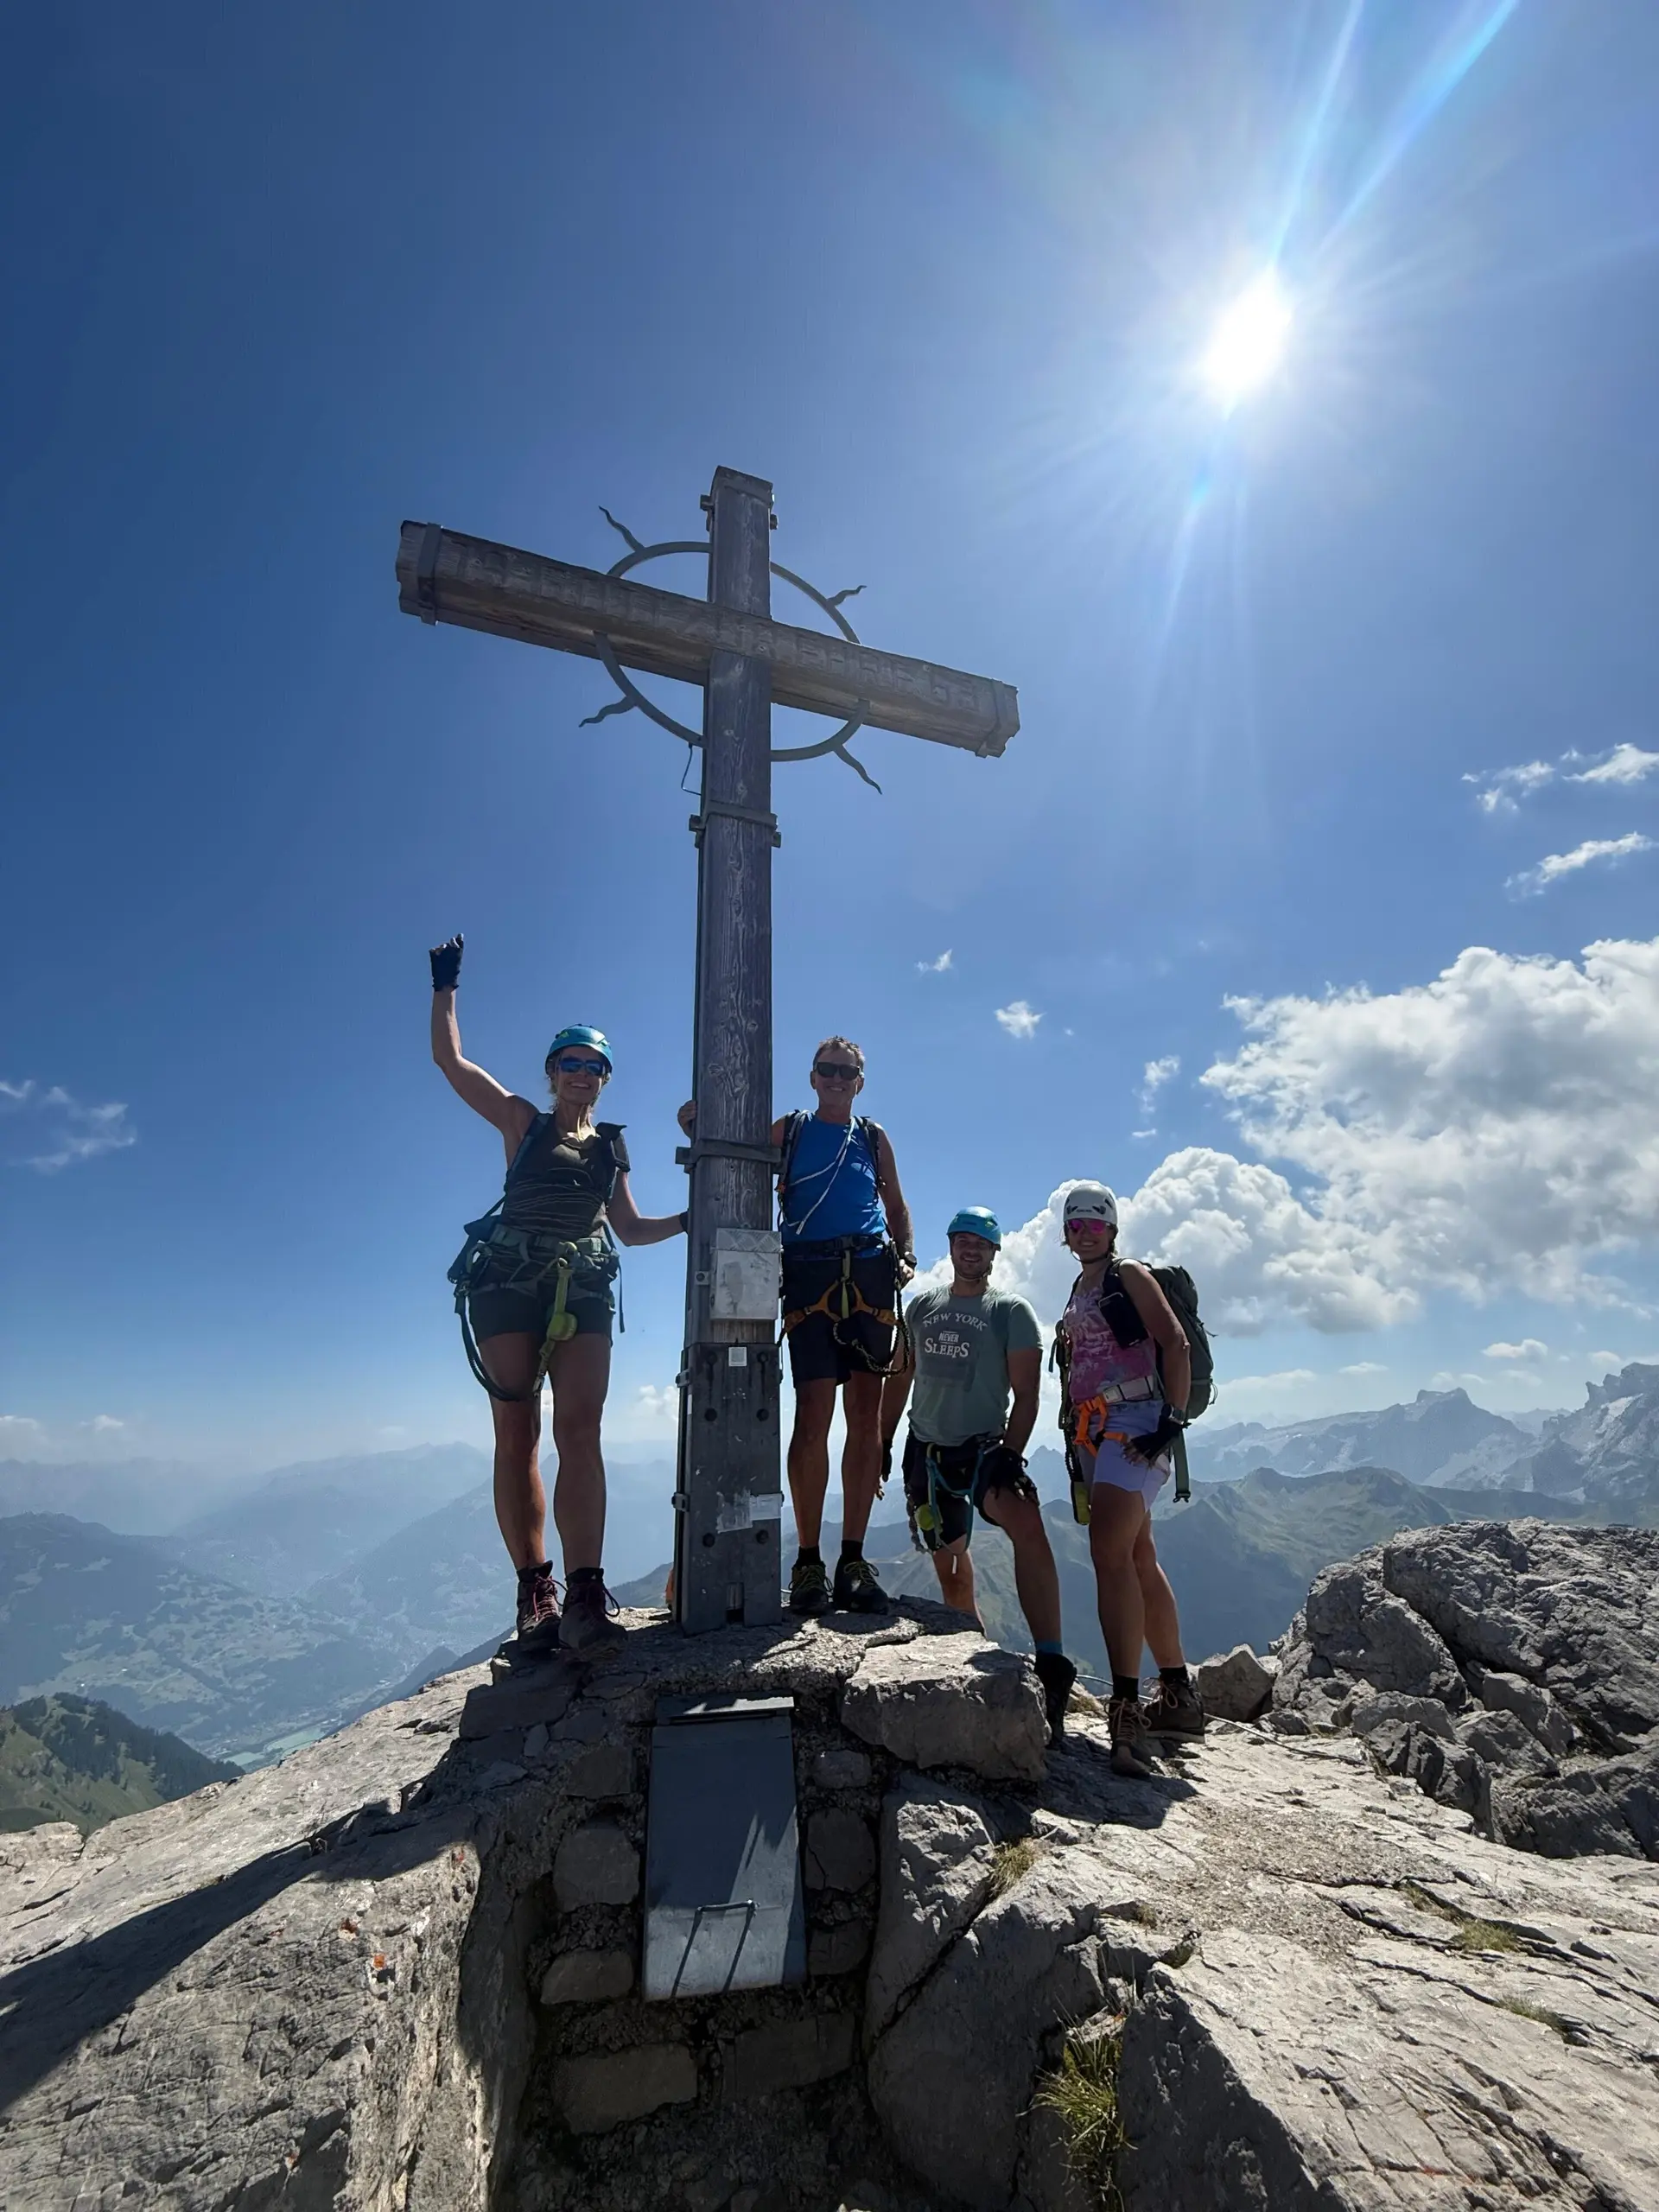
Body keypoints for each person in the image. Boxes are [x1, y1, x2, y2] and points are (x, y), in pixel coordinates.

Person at [430, 934, 686, 1656]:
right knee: (518, 1434)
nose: (582, 1073)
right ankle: (534, 1588)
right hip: (509, 1281)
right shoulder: (523, 1121)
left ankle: (583, 1593)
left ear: (605, 1077)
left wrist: (694, 1219)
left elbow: (630, 1230)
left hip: (586, 1286)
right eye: (571, 1062)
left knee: (581, 1432)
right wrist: (445, 986)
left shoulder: (612, 1145)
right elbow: (453, 1063)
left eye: (594, 1064)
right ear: (552, 1071)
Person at [679, 1037, 914, 1616]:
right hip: (810, 1271)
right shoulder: (796, 1128)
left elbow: (896, 1206)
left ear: (860, 1081)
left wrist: (904, 1253)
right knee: (814, 1417)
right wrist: (699, 1127)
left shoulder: (872, 1137)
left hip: (868, 1268)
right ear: (813, 1078)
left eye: (847, 1072)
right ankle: (809, 1560)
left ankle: (851, 1558)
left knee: (864, 1416)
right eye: (828, 1070)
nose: (836, 1079)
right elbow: (738, 1149)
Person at [880, 1208, 1077, 1738]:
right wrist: (881, 1441)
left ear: (994, 1253)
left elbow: (1030, 1397)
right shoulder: (922, 1306)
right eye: (962, 1241)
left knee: (1029, 1528)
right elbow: (900, 1378)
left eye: (981, 1243)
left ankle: (1052, 1665)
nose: (971, 1250)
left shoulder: (1009, 1310)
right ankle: (972, 1648)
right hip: (927, 1453)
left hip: (984, 1449)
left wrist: (1011, 1453)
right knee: (951, 1566)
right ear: (951, 1247)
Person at [1054, 1181, 1205, 1777]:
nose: (1086, 1231)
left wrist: (1171, 1420)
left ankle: (1125, 1712)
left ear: (1112, 1229)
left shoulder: (1130, 1274)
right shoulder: (1079, 1285)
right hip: (1095, 1433)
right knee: (1138, 1556)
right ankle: (1178, 1696)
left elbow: (1175, 1341)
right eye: (1076, 1224)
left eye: (1096, 1222)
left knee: (1108, 1552)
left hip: (1137, 1424)